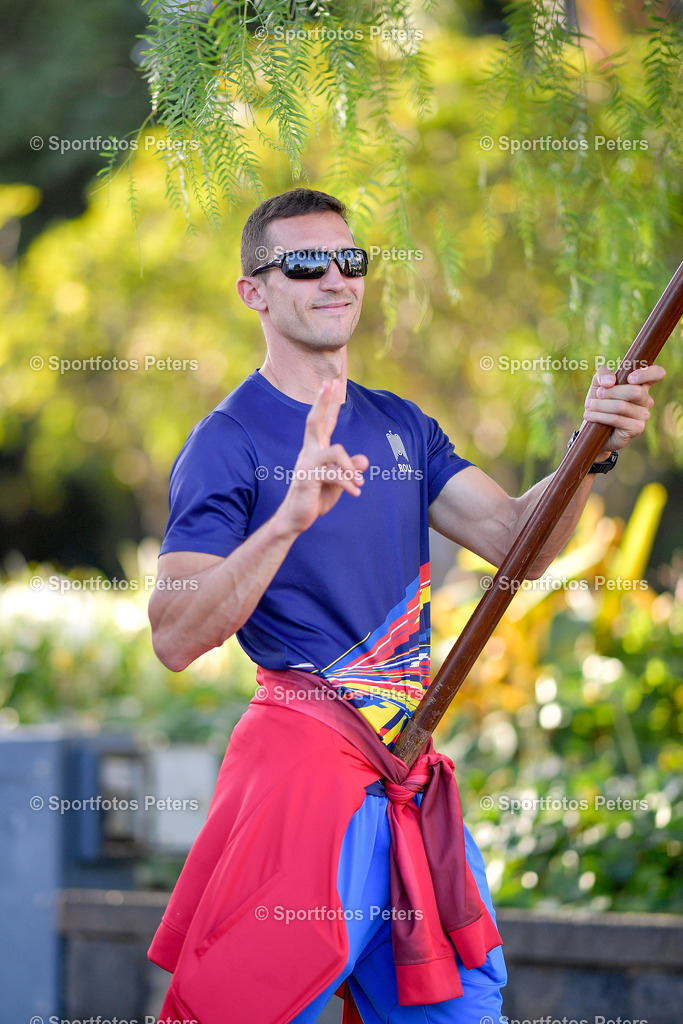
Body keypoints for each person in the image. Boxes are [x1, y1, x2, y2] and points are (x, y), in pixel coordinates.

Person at [146, 188, 664, 1024]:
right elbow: (175, 634)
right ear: (254, 290)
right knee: (251, 1007)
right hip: (300, 777)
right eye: (304, 263)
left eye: (349, 260)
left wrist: (589, 446)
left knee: (461, 1008)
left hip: (406, 779)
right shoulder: (227, 440)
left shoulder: (399, 426)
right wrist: (286, 521)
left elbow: (511, 542)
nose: (334, 278)